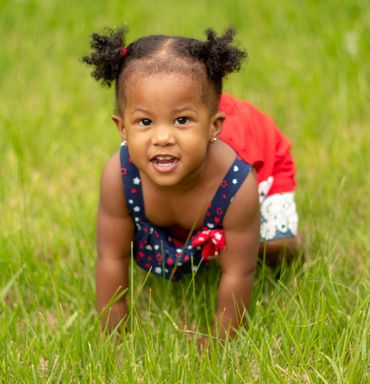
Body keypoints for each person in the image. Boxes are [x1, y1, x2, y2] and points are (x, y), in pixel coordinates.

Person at [82, 26, 301, 341]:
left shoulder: (237, 184)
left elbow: (239, 273)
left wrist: (219, 340)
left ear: (214, 127)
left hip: (260, 167)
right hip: (195, 199)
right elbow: (111, 257)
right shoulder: (119, 176)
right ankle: (190, 237)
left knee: (269, 246)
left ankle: (292, 243)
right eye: (145, 122)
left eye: (181, 120)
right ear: (122, 128)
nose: (163, 138)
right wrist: (114, 339)